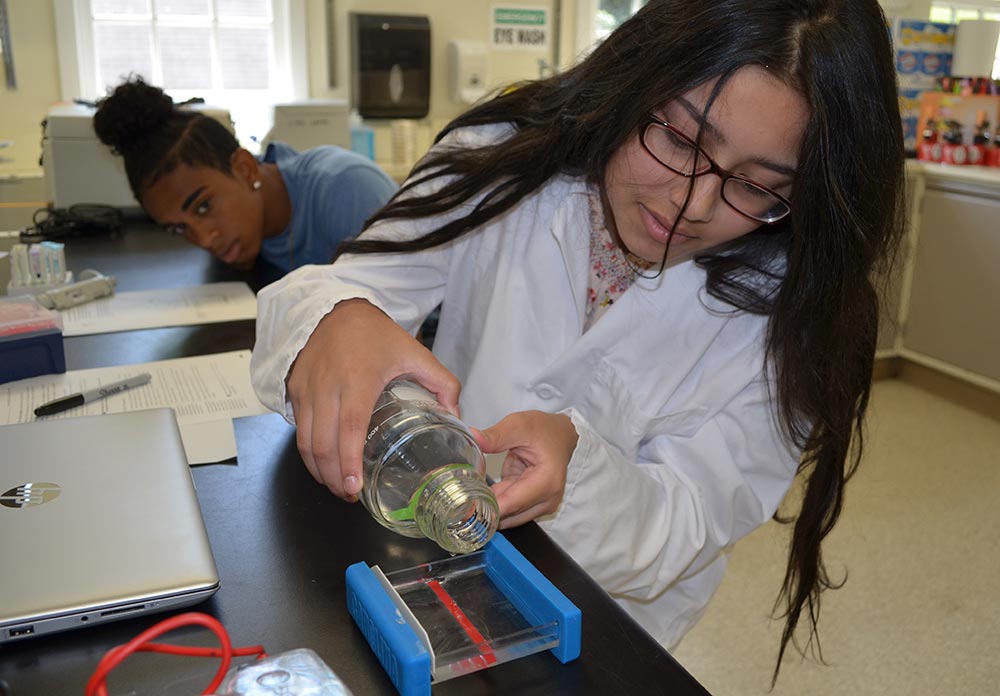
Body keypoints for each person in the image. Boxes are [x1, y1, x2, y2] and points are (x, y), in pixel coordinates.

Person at [250, 0, 905, 678]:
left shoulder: (793, 310)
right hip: (432, 553)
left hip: (608, 622)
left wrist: (580, 472)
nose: (694, 206)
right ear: (632, 81)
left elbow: (684, 526)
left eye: (756, 186)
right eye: (680, 141)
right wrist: (338, 319)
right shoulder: (503, 160)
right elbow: (321, 301)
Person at [92, 77, 398, 273]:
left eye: (203, 207)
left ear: (245, 168)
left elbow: (409, 324)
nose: (204, 239)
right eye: (179, 228)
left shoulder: (346, 188)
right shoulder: (247, 220)